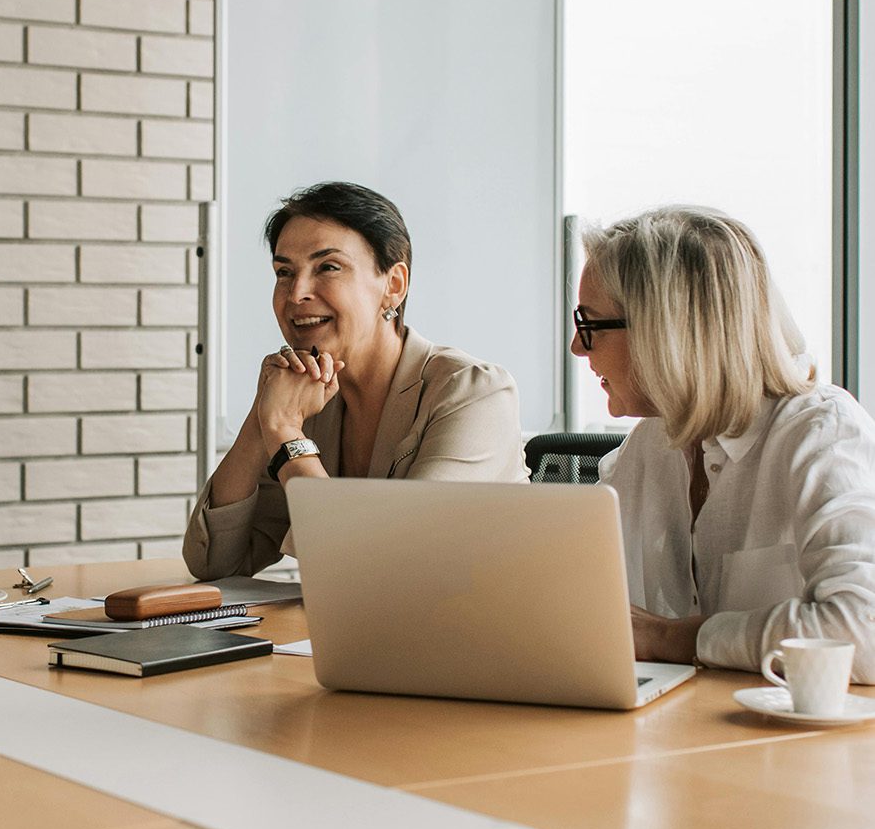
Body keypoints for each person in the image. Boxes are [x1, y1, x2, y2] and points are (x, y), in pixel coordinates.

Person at [573, 205, 875, 680]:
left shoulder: (822, 434)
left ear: (666, 330)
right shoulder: (648, 445)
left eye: (589, 325)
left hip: (782, 727)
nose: (577, 347)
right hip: (678, 718)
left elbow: (863, 630)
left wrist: (673, 638)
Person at [183, 181, 527, 580]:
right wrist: (263, 418)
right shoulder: (312, 402)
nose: (296, 293)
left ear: (393, 285)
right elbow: (213, 561)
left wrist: (285, 431)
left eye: (328, 267)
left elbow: (392, 566)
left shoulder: (474, 393)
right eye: (284, 272)